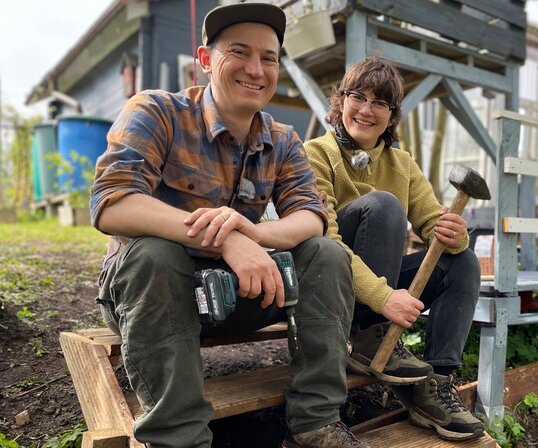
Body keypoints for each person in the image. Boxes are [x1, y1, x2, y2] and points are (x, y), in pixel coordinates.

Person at [90, 4, 369, 447]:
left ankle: (317, 423)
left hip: (236, 295)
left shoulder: (282, 139)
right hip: (155, 297)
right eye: (239, 52)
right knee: (153, 253)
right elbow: (112, 203)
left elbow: (311, 218)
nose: (256, 70)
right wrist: (227, 241)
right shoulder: (158, 111)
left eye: (269, 58)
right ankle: (177, 438)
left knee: (326, 254)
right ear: (205, 60)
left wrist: (254, 234)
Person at [305, 57, 484, 441]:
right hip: (333, 286)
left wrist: (452, 232)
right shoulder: (314, 155)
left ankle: (434, 385)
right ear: (341, 101)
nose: (367, 110)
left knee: (462, 261)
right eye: (358, 97)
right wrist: (382, 299)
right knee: (383, 204)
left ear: (391, 115)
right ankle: (368, 335)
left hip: (379, 287)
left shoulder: (401, 162)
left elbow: (431, 219)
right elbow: (328, 242)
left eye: (380, 103)